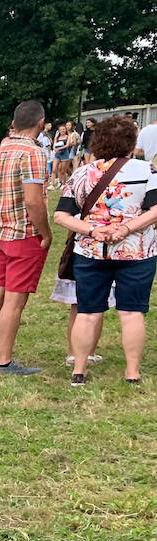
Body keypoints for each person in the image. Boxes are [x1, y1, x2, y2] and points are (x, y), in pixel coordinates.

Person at [53, 116, 157, 386]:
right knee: (132, 312)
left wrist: (91, 231)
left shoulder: (81, 173)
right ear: (131, 143)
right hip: (137, 252)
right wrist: (127, 229)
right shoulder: (148, 171)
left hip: (90, 252)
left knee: (87, 312)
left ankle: (78, 369)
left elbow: (62, 216)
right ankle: (132, 372)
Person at [0, 100, 52, 376]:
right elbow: (34, 201)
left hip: (0, 235)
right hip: (24, 236)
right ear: (40, 123)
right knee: (14, 301)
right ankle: (4, 361)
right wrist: (45, 233)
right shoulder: (33, 153)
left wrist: (0, 221)